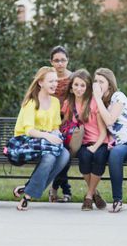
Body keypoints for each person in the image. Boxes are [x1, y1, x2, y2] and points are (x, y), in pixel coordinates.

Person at [13, 66, 70, 211]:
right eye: (51, 81)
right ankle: (27, 197)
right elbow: (29, 130)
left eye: (56, 81)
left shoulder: (55, 102)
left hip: (46, 141)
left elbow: (56, 126)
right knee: (50, 158)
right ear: (40, 83)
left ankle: (28, 188)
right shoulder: (31, 102)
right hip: (27, 142)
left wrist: (56, 135)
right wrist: (49, 136)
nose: (54, 84)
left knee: (65, 155)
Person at [92, 68, 127, 213]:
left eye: (101, 81)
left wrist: (97, 99)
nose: (97, 84)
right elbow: (106, 128)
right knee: (115, 155)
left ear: (109, 84)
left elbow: (110, 120)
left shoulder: (118, 96)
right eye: (96, 81)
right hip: (122, 144)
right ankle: (118, 200)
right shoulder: (101, 103)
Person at [62, 69, 109, 211]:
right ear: (71, 88)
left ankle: (88, 196)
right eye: (76, 85)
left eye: (82, 85)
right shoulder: (68, 104)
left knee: (100, 157)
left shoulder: (94, 103)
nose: (79, 88)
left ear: (88, 87)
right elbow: (66, 125)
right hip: (81, 143)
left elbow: (103, 132)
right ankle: (95, 193)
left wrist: (96, 146)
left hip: (100, 141)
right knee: (84, 157)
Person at [49, 45, 73, 202]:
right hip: (50, 124)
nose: (59, 63)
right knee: (59, 153)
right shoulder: (48, 78)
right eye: (56, 60)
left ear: (68, 61)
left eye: (62, 60)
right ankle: (65, 189)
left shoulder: (73, 78)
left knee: (66, 153)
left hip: (69, 123)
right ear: (51, 62)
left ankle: (55, 187)